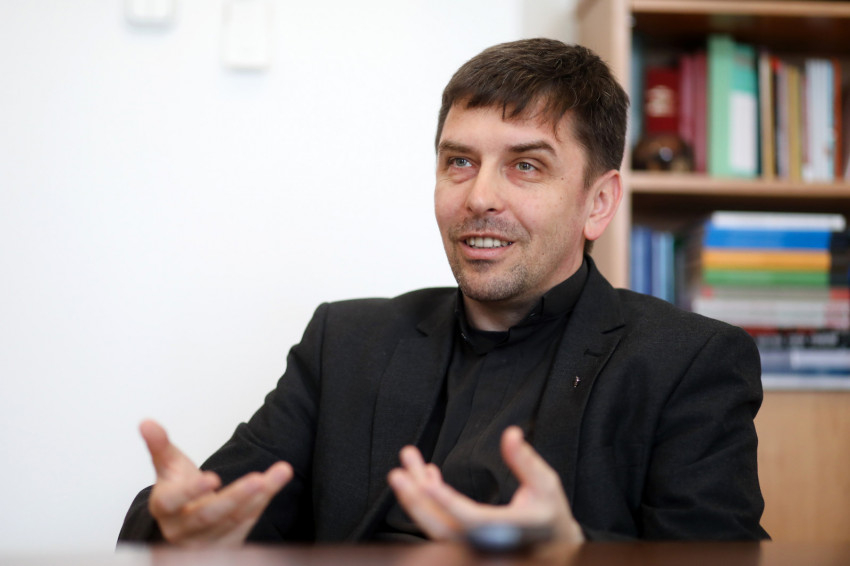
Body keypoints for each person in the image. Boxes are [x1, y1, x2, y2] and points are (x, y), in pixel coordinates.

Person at [118, 38, 768, 546]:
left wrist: (570, 554)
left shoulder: (687, 363)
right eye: (460, 162)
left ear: (597, 203)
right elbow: (215, 507)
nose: (480, 196)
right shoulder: (344, 343)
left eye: (525, 165)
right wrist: (175, 528)